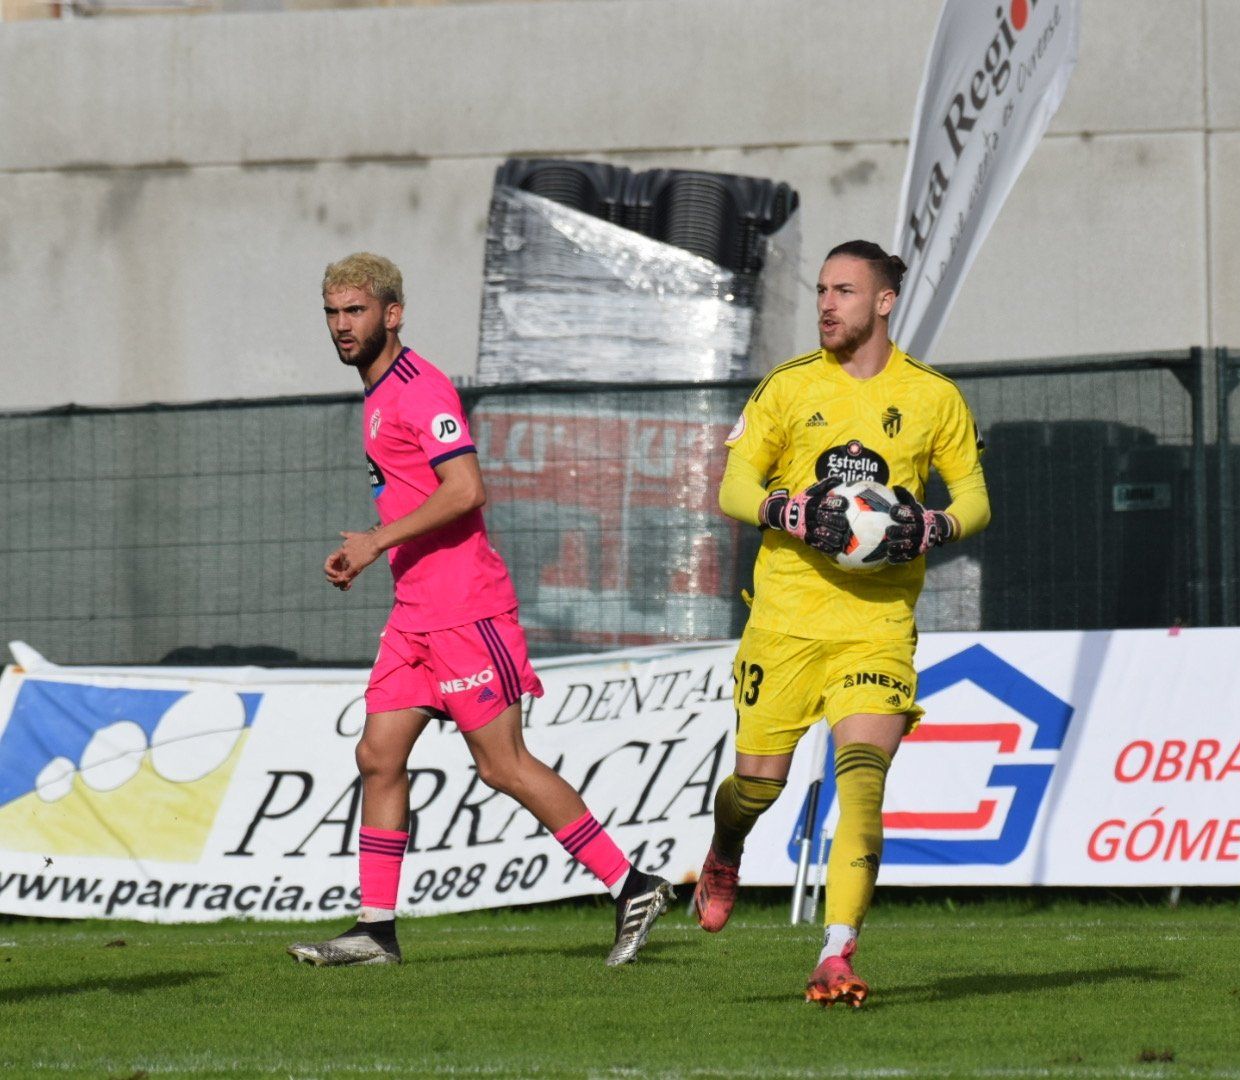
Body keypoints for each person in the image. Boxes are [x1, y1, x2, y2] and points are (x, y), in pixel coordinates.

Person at [287, 253, 672, 967]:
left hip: (466, 610)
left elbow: (466, 490)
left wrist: (375, 540)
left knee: (503, 765)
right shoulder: (377, 395)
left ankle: (630, 885)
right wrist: (377, 550)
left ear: (392, 314)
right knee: (377, 755)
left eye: (356, 312)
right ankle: (376, 930)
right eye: (333, 314)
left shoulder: (418, 389)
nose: (343, 326)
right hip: (415, 613)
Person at [693, 240, 990, 1006]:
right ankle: (726, 848)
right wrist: (787, 510)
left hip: (877, 624)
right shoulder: (788, 388)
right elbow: (732, 486)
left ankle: (837, 951)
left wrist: (934, 528)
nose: (827, 304)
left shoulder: (933, 397)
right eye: (823, 290)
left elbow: (974, 500)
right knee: (757, 791)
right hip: (785, 622)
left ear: (884, 302)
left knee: (863, 781)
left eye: (845, 291)